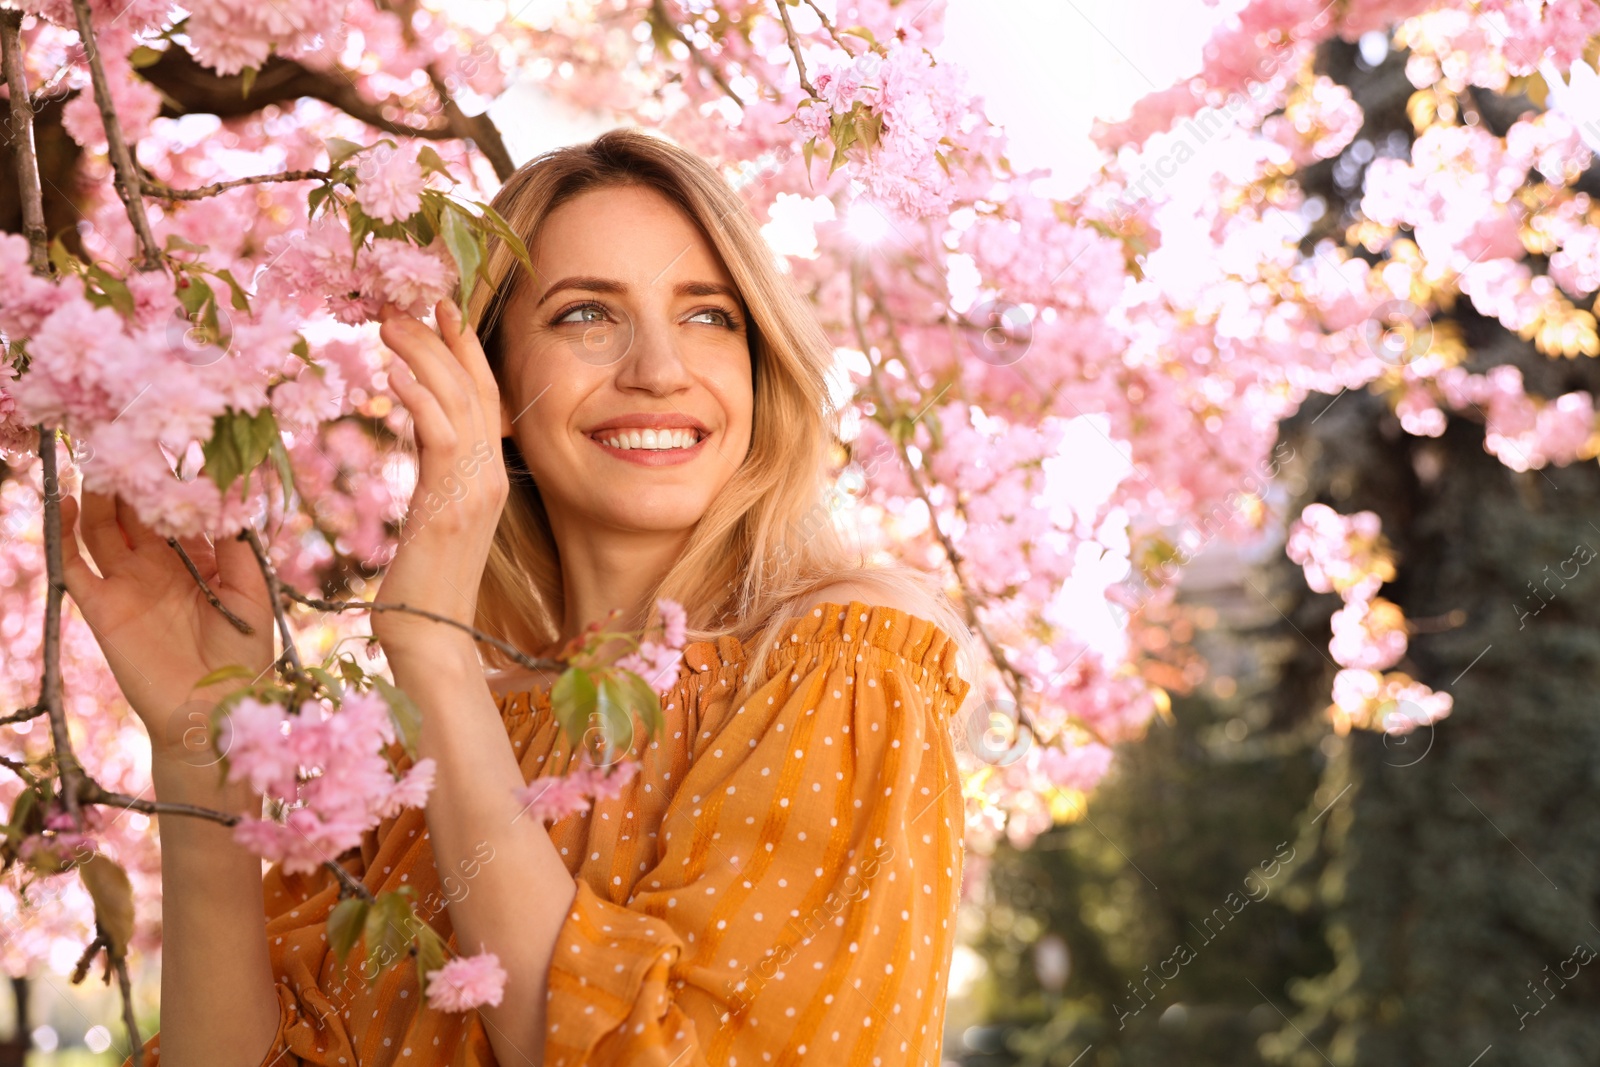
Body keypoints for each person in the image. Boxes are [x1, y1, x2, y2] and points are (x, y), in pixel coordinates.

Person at [70, 127, 980, 1066]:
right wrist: (201, 755)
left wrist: (431, 650)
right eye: (587, 314)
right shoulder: (411, 751)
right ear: (492, 385)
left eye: (711, 316)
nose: (659, 369)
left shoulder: (843, 665)